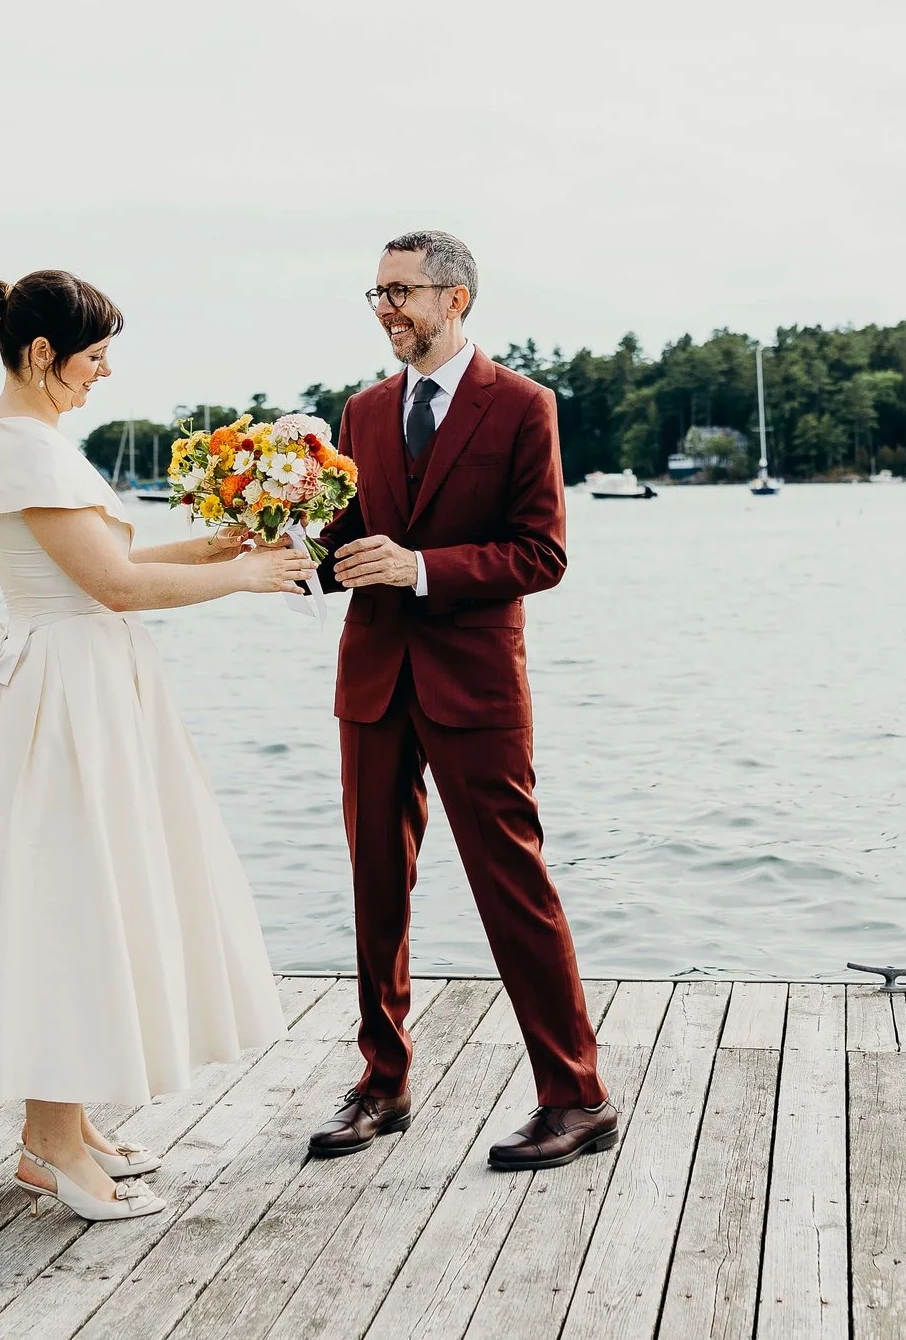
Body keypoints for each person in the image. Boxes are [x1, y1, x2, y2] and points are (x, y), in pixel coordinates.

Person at [0, 270, 314, 1222]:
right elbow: (112, 589)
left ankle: (59, 1126)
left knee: (77, 892)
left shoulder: (33, 444)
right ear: (40, 356)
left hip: (83, 684)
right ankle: (53, 1144)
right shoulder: (19, 451)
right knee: (65, 899)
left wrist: (217, 547)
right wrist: (250, 577)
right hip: (65, 695)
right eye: (95, 356)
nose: (106, 373)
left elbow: (113, 565)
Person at [311, 231, 616, 1170]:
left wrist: (422, 569)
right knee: (374, 888)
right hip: (373, 681)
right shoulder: (360, 413)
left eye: (401, 290)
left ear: (457, 298)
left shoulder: (523, 406)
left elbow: (542, 554)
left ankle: (576, 1096)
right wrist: (283, 510)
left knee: (512, 886)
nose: (386, 308)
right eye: (377, 292)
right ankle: (383, 1082)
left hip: (476, 688)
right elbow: (342, 550)